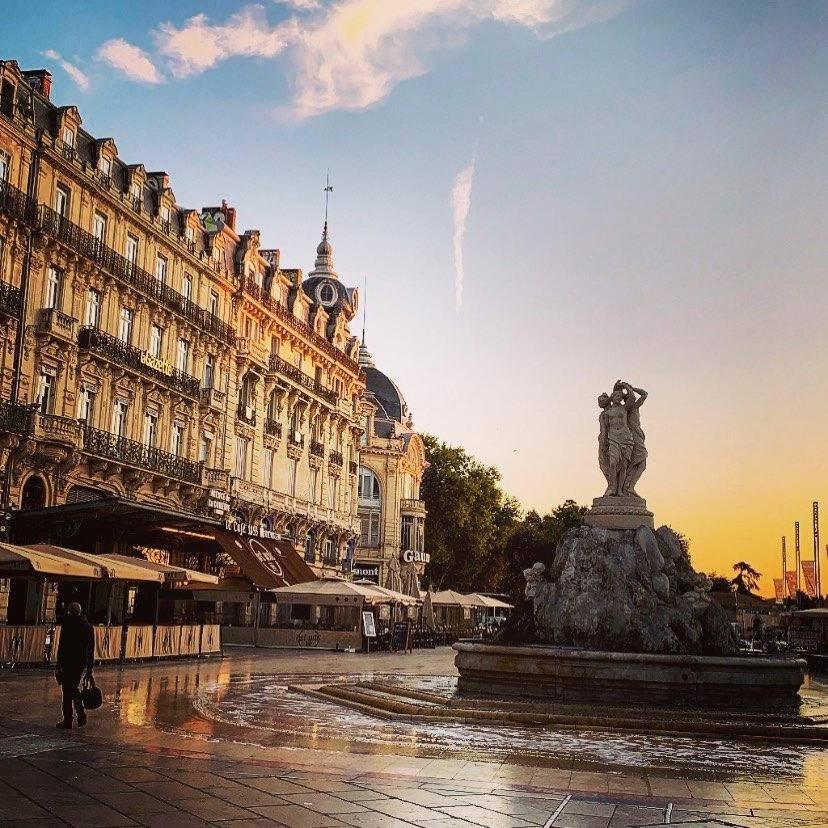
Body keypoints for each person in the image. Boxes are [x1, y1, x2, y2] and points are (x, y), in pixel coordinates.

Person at [54, 602, 94, 729]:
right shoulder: (87, 626)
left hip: (68, 660)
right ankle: (79, 714)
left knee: (67, 689)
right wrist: (89, 668)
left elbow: (62, 645)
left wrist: (58, 663)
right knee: (73, 687)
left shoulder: (68, 624)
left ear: (70, 612)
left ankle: (70, 718)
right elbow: (90, 649)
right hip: (80, 662)